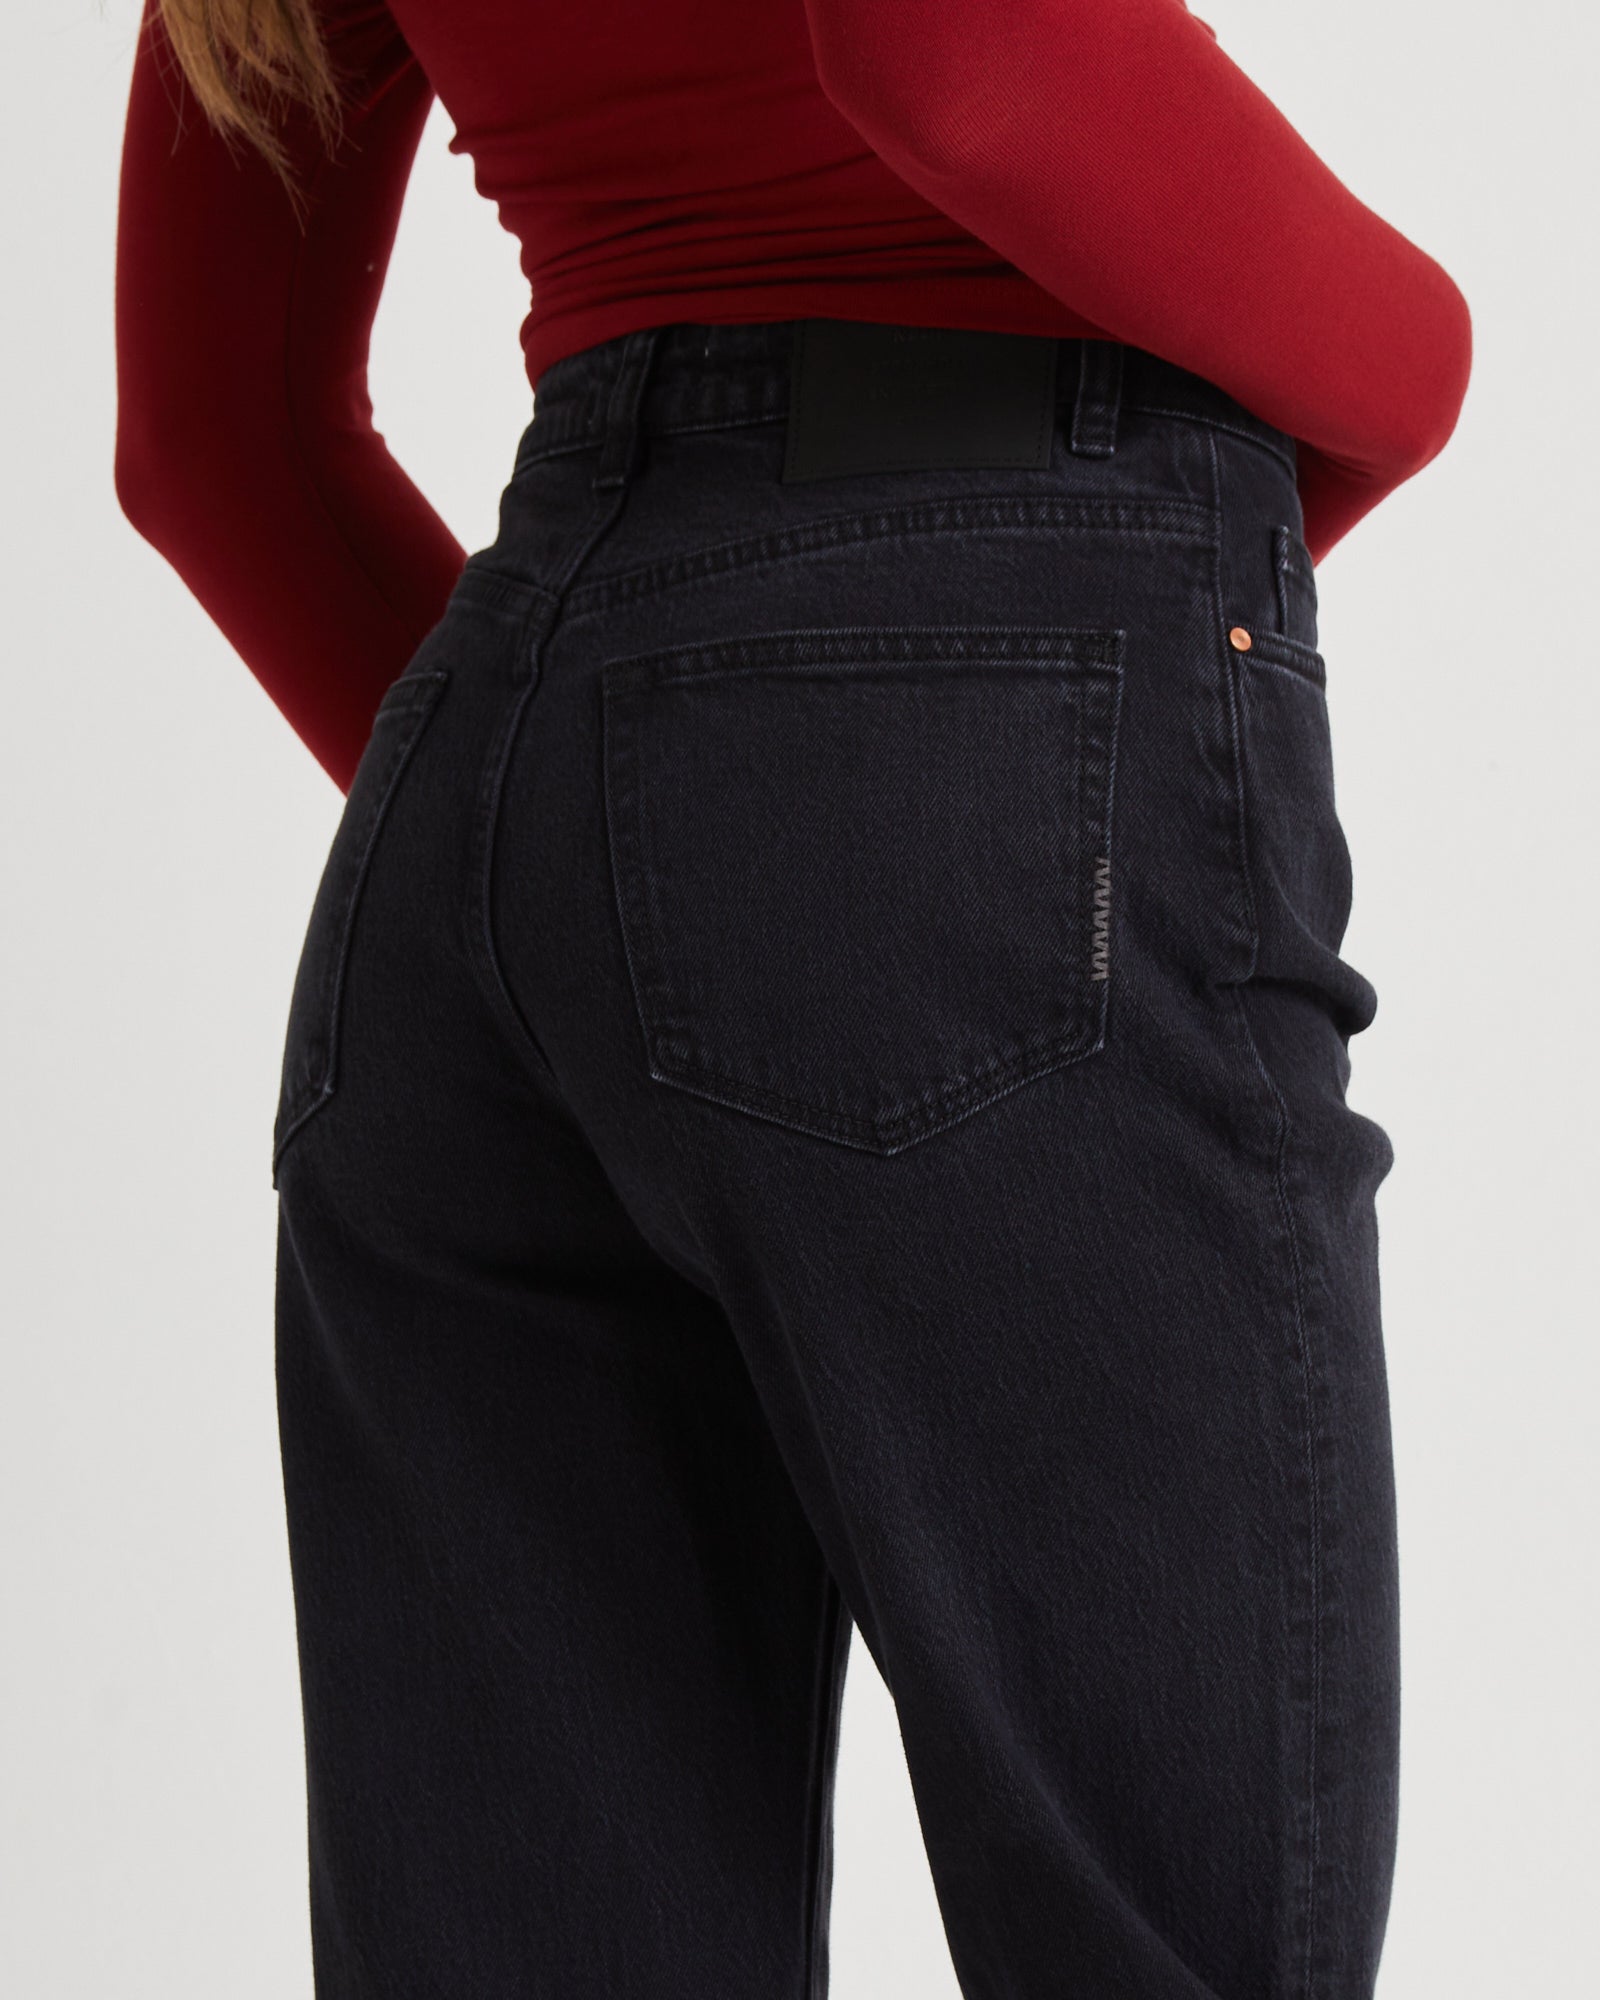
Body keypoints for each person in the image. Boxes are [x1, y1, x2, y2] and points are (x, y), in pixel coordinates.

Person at [113, 2, 1471, 1995]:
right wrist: (1424, 362)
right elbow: (956, 57)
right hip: (971, 703)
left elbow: (209, 442)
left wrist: (611, 838)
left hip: (482, 809)